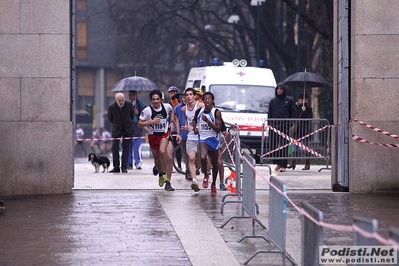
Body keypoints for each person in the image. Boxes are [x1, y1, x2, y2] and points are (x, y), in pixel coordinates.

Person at [138, 90, 181, 191]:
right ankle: (160, 172)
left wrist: (171, 122)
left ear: (161, 99)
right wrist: (151, 122)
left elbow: (172, 111)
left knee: (164, 152)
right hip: (153, 136)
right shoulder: (147, 110)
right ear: (151, 100)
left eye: (157, 99)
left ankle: (167, 180)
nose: (156, 101)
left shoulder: (166, 107)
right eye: (154, 99)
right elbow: (140, 123)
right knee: (157, 159)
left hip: (164, 135)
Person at [193, 91, 222, 196]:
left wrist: (208, 121)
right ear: (203, 100)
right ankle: (206, 175)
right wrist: (195, 128)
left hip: (213, 139)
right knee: (202, 157)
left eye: (209, 99)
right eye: (205, 99)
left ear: (212, 100)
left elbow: (218, 129)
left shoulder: (216, 112)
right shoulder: (199, 111)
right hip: (203, 138)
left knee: (215, 164)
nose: (207, 100)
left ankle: (213, 184)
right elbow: (195, 121)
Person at [267, 82, 296, 172]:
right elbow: (270, 113)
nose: (279, 91)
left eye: (281, 89)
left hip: (285, 126)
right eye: (278, 89)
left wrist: (291, 123)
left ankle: (284, 165)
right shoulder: (273, 101)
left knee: (284, 145)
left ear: (284, 90)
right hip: (274, 126)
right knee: (274, 146)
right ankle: (278, 163)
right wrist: (269, 123)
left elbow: (293, 112)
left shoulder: (289, 100)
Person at [181, 88, 204, 192]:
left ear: (194, 96)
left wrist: (199, 127)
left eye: (190, 94)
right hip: (191, 136)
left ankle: (207, 175)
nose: (189, 96)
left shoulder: (200, 106)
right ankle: (194, 181)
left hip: (203, 136)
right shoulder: (183, 109)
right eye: (187, 95)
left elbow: (207, 119)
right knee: (191, 158)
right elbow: (187, 122)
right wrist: (186, 127)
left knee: (204, 160)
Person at [107, 92, 135, 173]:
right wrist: (116, 124)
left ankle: (124, 167)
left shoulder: (129, 105)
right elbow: (110, 118)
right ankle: (116, 167)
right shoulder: (111, 107)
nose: (121, 102)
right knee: (115, 147)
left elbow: (132, 116)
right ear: (116, 100)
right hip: (116, 129)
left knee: (126, 148)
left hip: (127, 129)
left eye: (122, 100)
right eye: (119, 100)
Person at [287, 93, 314, 170]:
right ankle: (293, 162)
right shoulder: (296, 107)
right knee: (295, 146)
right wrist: (298, 107)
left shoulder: (308, 108)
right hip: (297, 129)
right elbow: (295, 115)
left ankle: (307, 163)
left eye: (304, 99)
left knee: (306, 146)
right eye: (300, 99)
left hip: (305, 129)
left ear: (306, 100)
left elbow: (310, 118)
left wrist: (305, 111)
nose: (302, 100)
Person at [127, 90, 146, 170]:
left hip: (137, 128)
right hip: (129, 127)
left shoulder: (140, 105)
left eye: (131, 95)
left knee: (137, 146)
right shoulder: (127, 105)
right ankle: (129, 163)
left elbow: (145, 114)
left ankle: (138, 162)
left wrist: (138, 113)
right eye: (129, 95)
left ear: (135, 95)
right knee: (128, 146)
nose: (129, 96)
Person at [174, 90, 190, 180]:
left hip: (193, 134)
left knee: (193, 155)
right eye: (184, 96)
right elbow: (176, 120)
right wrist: (178, 133)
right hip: (183, 134)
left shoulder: (193, 106)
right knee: (186, 155)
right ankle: (188, 172)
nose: (185, 98)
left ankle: (192, 170)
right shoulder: (177, 108)